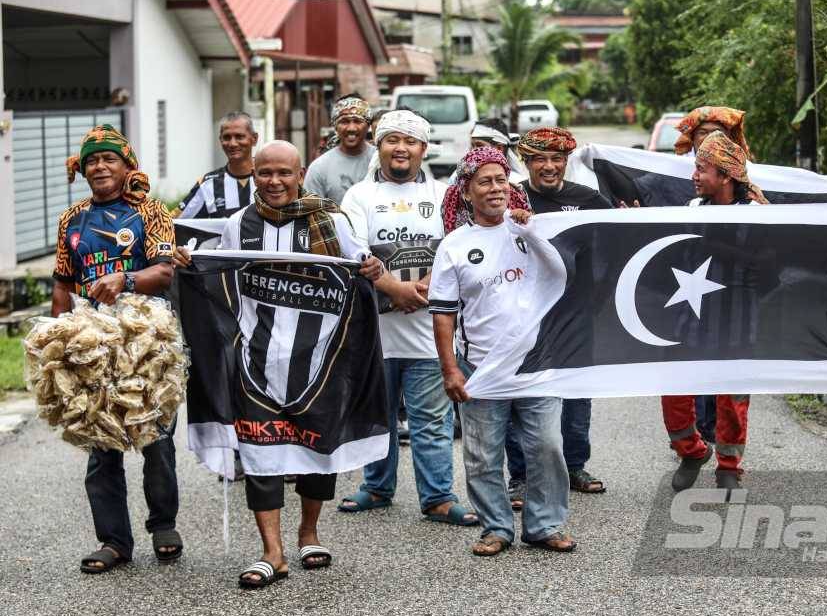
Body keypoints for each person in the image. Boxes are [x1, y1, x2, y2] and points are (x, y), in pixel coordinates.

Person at [176, 140, 382, 588]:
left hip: (320, 360)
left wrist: (373, 270)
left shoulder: (330, 221)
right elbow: (219, 277)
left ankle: (309, 533)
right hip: (256, 361)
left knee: (315, 448)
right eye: (264, 172)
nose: (274, 182)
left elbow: (360, 266)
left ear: (301, 173)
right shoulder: (238, 225)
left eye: (283, 173)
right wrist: (189, 266)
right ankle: (273, 552)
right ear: (253, 172)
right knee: (260, 453)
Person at [334, 109, 478, 527]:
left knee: (432, 421)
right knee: (377, 414)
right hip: (375, 332)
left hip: (430, 332)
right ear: (378, 147)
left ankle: (438, 496)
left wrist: (428, 285)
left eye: (410, 141)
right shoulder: (359, 196)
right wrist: (398, 290)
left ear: (423, 148)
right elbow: (354, 249)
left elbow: (456, 242)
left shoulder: (444, 193)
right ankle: (377, 487)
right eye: (392, 140)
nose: (401, 148)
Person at [430, 147, 575, 556]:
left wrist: (533, 231)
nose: (495, 189)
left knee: (547, 445)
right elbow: (442, 314)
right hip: (480, 367)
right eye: (485, 182)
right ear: (468, 191)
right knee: (482, 454)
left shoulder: (533, 230)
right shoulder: (455, 246)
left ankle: (545, 524)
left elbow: (569, 273)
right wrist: (450, 371)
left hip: (537, 361)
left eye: (500, 180)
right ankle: (496, 527)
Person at [52, 124, 180, 574]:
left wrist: (123, 279)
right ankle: (113, 541)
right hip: (94, 341)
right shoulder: (72, 218)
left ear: (128, 166)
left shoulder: (150, 212)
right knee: (100, 440)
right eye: (91, 160)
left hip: (148, 341)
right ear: (82, 169)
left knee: (156, 440)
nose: (100, 166)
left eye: (109, 159)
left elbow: (164, 272)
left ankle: (163, 524)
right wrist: (59, 338)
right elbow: (63, 283)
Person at [503, 126, 610, 507]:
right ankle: (521, 475)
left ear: (566, 161)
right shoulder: (510, 197)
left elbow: (614, 247)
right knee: (523, 392)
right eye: (539, 160)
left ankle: (575, 464)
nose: (549, 167)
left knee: (577, 391)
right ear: (526, 162)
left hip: (578, 311)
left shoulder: (590, 200)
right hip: (525, 314)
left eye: (557, 159)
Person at [661, 131, 767, 499]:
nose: (694, 175)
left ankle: (729, 467)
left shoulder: (758, 215)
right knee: (674, 391)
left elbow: (767, 263)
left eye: (702, 169)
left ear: (725, 176)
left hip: (737, 322)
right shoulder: (692, 209)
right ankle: (692, 451)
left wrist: (714, 241)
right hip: (690, 319)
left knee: (732, 400)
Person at [176, 111, 258, 219]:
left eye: (239, 136)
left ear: (254, 139)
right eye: (227, 137)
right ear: (220, 140)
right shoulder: (208, 184)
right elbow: (175, 222)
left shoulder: (270, 178)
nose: (232, 143)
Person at [304, 94, 378, 205]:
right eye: (344, 122)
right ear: (335, 126)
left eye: (357, 121)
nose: (351, 128)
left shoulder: (380, 160)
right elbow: (311, 212)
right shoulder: (319, 168)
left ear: (368, 126)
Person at [673, 106, 752, 158]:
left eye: (717, 132)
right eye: (703, 132)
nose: (710, 137)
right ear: (692, 138)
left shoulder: (741, 168)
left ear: (728, 137)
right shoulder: (680, 165)